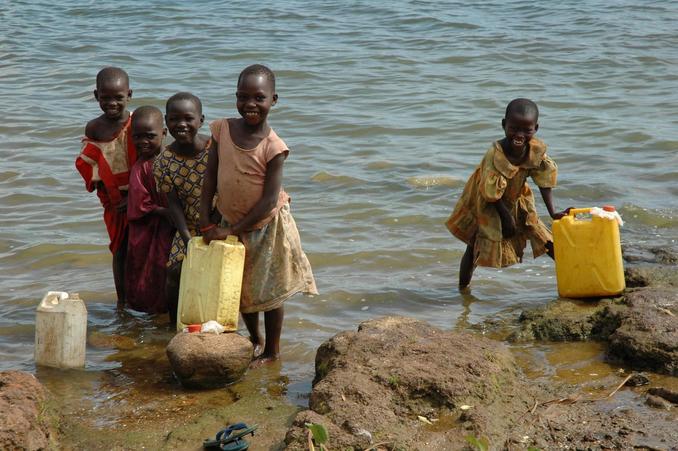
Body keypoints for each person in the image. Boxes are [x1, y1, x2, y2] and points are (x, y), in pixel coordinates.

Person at [201, 64, 317, 363]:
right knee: (239, 286)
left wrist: (232, 229)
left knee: (269, 291)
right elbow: (210, 175)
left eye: (259, 98)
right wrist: (205, 217)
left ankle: (273, 351)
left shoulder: (274, 147)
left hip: (266, 226)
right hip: (229, 218)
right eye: (242, 97)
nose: (250, 105)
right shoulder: (222, 130)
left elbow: (267, 202)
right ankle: (254, 340)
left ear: (273, 100)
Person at [446, 98, 568, 290]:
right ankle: (463, 291)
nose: (519, 135)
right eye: (513, 129)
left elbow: (544, 181)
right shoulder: (495, 155)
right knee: (474, 247)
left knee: (543, 237)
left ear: (535, 128)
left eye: (526, 130)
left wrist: (553, 213)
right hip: (487, 201)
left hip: (518, 198)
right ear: (504, 125)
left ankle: (574, 274)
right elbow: (490, 192)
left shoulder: (535, 150)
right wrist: (506, 218)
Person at [76, 67, 136, 307]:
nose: (111, 103)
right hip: (113, 203)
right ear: (95, 95)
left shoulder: (137, 124)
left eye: (118, 98)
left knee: (144, 249)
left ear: (129, 95)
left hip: (139, 197)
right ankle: (122, 301)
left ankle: (147, 300)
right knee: (120, 250)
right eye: (105, 97)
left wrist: (135, 197)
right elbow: (93, 166)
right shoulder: (94, 128)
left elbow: (147, 162)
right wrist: (112, 198)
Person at [153, 92, 213, 325]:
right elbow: (173, 201)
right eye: (175, 119)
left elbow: (225, 188)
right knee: (174, 271)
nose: (182, 125)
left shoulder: (214, 150)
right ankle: (174, 324)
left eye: (189, 118)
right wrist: (187, 236)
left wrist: (212, 223)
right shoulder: (164, 160)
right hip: (187, 223)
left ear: (201, 120)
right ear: (166, 122)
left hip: (219, 219)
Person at [125, 106, 174, 314]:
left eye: (150, 136)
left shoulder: (172, 159)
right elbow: (139, 203)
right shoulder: (141, 167)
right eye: (137, 137)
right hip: (150, 226)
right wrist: (164, 212)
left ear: (163, 133)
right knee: (149, 267)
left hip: (171, 226)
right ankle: (149, 310)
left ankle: (170, 308)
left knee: (169, 268)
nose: (143, 142)